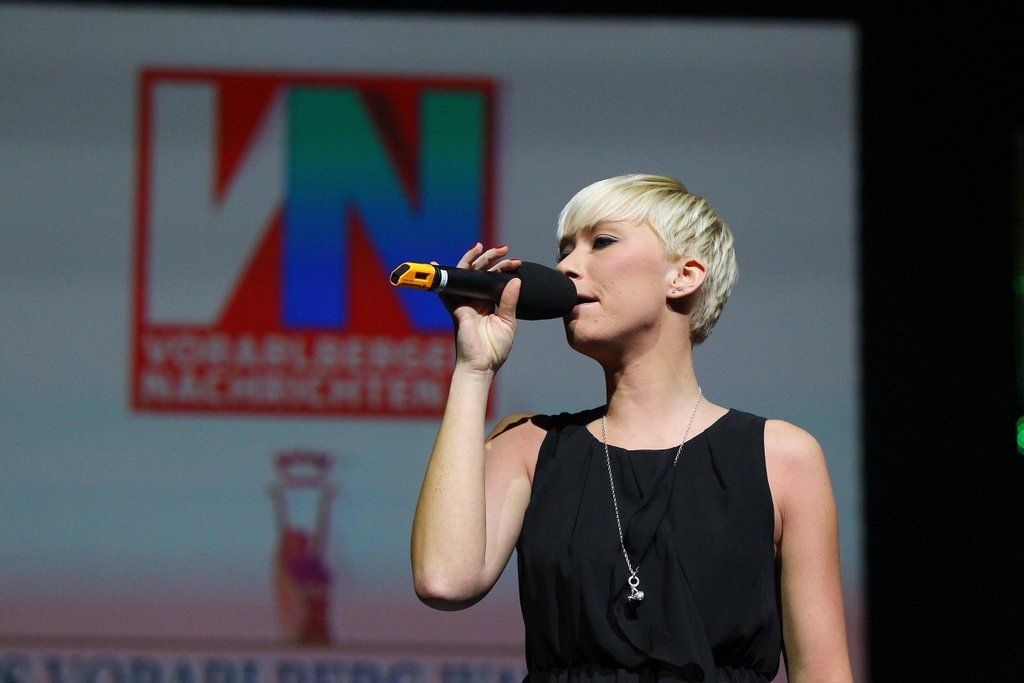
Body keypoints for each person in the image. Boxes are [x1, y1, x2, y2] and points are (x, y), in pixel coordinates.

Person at [411, 175, 852, 682]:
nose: (566, 267)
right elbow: (444, 580)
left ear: (683, 276)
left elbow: (823, 669)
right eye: (564, 251)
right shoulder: (529, 444)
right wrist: (474, 370)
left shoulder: (781, 457)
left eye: (601, 241)